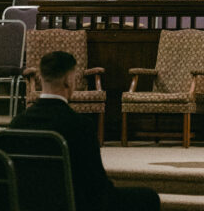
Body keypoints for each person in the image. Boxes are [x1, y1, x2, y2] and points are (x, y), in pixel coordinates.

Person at [9, 50, 160, 211]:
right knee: (148, 197)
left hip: (28, 204)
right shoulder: (80, 126)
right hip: (76, 203)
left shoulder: (16, 124)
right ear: (68, 80)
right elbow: (97, 186)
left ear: (40, 78)